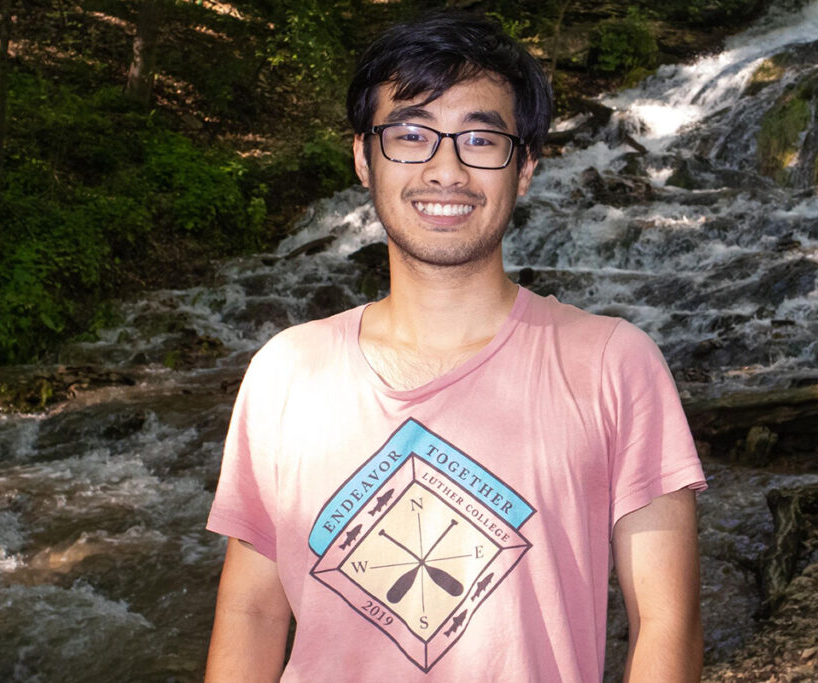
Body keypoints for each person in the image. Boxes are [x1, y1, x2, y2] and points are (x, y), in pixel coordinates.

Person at [205, 10, 705, 682]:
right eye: (410, 135)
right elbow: (252, 613)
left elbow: (668, 624)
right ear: (363, 156)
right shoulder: (285, 373)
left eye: (479, 138)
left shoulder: (615, 364)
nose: (446, 170)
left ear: (524, 166)